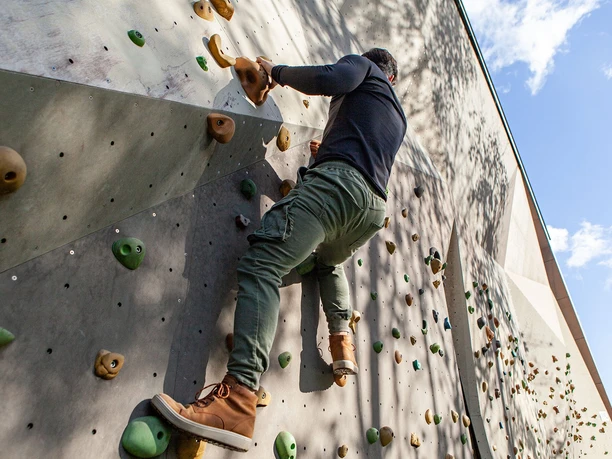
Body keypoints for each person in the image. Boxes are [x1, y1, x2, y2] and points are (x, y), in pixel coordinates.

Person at [152, 48, 407, 452]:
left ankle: (238, 398)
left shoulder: (363, 67)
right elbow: (365, 149)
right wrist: (329, 154)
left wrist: (278, 71)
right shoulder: (397, 114)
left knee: (262, 266)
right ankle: (341, 338)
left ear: (376, 69)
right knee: (328, 262)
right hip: (371, 211)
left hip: (338, 188)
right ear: (394, 80)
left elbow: (328, 78)